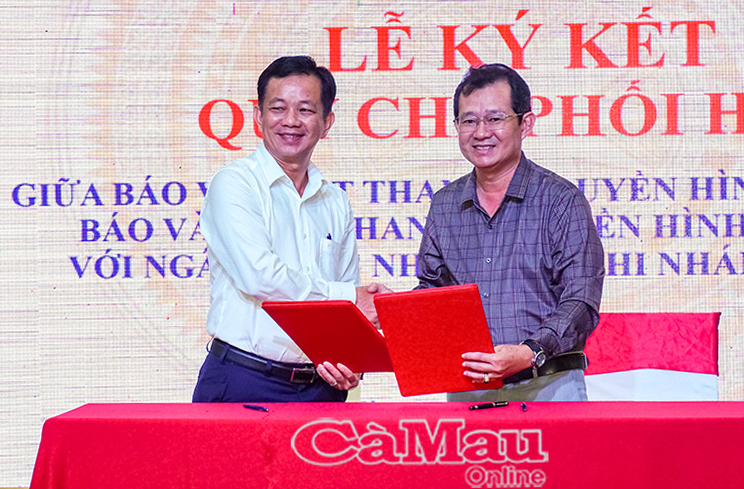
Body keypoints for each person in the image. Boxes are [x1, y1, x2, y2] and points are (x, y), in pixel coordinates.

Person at [192, 56, 384, 403]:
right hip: (244, 379)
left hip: (322, 387)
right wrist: (349, 298)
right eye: (278, 108)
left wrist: (351, 361)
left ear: (327, 122)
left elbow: (346, 296)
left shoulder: (335, 201)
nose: (291, 121)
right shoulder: (235, 184)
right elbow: (259, 277)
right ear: (258, 116)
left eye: (306, 110)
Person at [416, 63, 605, 402]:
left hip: (549, 386)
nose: (481, 132)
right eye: (469, 121)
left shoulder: (561, 201)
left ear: (526, 123)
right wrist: (397, 310)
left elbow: (581, 299)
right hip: (469, 389)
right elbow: (433, 291)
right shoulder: (444, 205)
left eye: (495, 119)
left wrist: (530, 351)